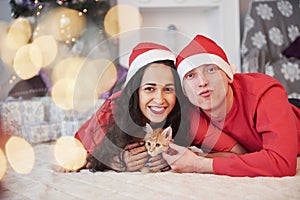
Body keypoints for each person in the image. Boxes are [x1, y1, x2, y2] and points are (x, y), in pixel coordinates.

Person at [74, 42, 245, 172]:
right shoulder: (115, 106)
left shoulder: (189, 115)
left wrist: (189, 158)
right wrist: (113, 161)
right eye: (150, 88)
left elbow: (238, 153)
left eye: (168, 89)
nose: (159, 99)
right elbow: (75, 153)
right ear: (135, 92)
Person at [163, 34, 300, 177]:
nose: (202, 82)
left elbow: (282, 164)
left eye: (211, 69)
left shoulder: (265, 93)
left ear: (229, 75)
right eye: (190, 75)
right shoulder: (189, 117)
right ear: (184, 90)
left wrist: (200, 164)